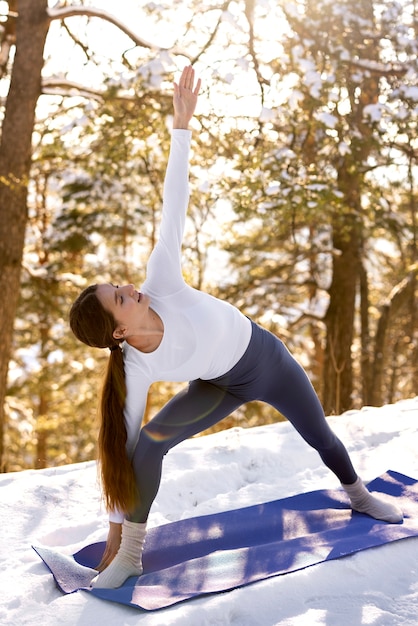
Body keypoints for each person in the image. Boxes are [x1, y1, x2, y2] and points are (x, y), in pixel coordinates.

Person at [69, 66, 403, 589]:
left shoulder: (161, 280)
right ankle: (133, 553)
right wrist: (115, 539)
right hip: (216, 387)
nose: (129, 287)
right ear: (117, 332)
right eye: (119, 298)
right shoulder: (134, 365)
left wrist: (181, 127)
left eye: (119, 285)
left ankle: (359, 494)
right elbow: (125, 451)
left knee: (319, 435)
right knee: (149, 447)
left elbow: (172, 206)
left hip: (265, 362)